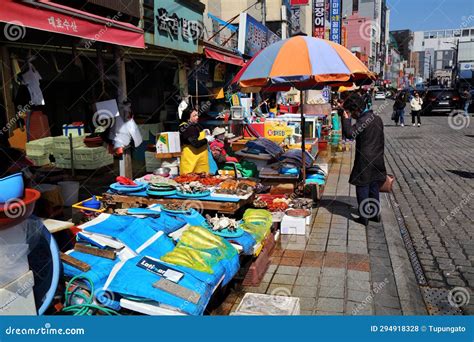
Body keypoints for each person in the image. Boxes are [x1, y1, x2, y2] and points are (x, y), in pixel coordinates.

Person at [341, 93, 387, 226]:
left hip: (365, 159)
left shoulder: (364, 120)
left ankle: (364, 217)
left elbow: (350, 134)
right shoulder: (377, 118)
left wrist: (346, 119)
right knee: (374, 186)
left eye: (351, 112)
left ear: (357, 109)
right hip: (378, 158)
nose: (352, 115)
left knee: (362, 186)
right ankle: (374, 213)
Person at [179, 107, 213, 175]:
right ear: (188, 118)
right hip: (191, 162)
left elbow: (196, 135)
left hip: (198, 163)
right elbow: (196, 144)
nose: (197, 117)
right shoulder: (187, 128)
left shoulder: (193, 125)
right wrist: (207, 139)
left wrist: (204, 131)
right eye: (194, 116)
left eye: (197, 115)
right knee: (187, 180)